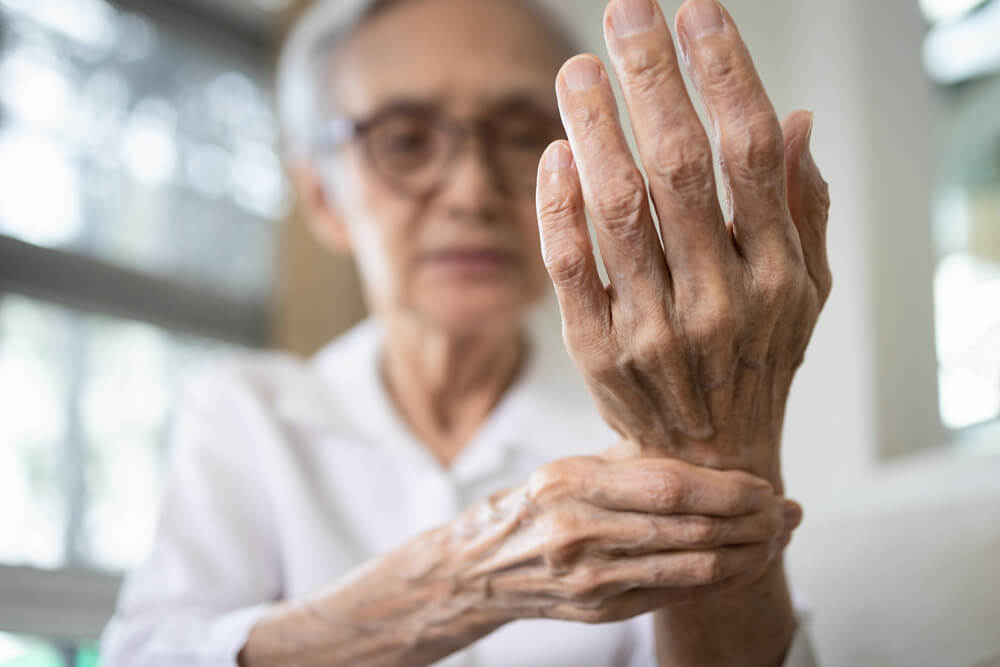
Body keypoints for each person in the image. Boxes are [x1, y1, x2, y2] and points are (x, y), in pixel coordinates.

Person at [101, 0, 831, 664]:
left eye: (519, 136)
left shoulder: (642, 416)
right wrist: (466, 581)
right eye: (406, 139)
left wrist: (715, 448)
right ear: (324, 198)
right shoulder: (247, 413)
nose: (472, 189)